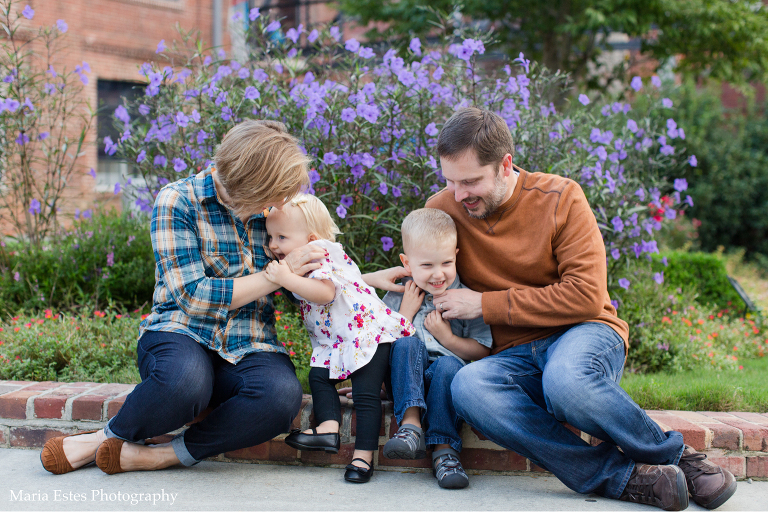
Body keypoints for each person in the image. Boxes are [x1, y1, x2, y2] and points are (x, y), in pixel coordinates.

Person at [425, 108, 736, 510]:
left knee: (566, 381)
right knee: (469, 387)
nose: (458, 193)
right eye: (449, 180)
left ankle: (677, 458)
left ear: (504, 165)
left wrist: (485, 304)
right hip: (514, 356)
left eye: (470, 181)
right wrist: (373, 359)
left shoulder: (560, 197)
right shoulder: (444, 207)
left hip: (584, 332)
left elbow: (585, 295)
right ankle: (624, 479)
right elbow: (418, 273)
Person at [40, 120, 330, 475]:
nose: (277, 202)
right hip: (181, 332)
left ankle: (162, 455)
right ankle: (106, 437)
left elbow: (313, 275)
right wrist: (274, 276)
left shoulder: (271, 213)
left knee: (280, 397)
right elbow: (193, 296)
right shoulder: (177, 200)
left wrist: (354, 286)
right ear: (248, 182)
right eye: (270, 194)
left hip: (250, 342)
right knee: (184, 383)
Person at [264, 194, 414, 484]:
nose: (272, 245)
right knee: (319, 377)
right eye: (271, 236)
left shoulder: (316, 253)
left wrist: (285, 278)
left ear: (310, 238)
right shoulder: (312, 255)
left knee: (365, 396)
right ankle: (329, 429)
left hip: (366, 335)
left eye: (281, 237)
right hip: (338, 340)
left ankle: (363, 457)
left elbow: (326, 293)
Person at [380, 208, 492, 489]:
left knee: (448, 365)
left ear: (456, 255)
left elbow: (482, 351)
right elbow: (378, 345)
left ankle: (445, 451)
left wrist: (448, 338)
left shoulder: (466, 299)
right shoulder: (398, 295)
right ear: (407, 263)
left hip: (447, 385)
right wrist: (404, 315)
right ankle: (411, 426)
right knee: (407, 343)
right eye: (427, 266)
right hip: (404, 383)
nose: (438, 274)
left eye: (446, 262)